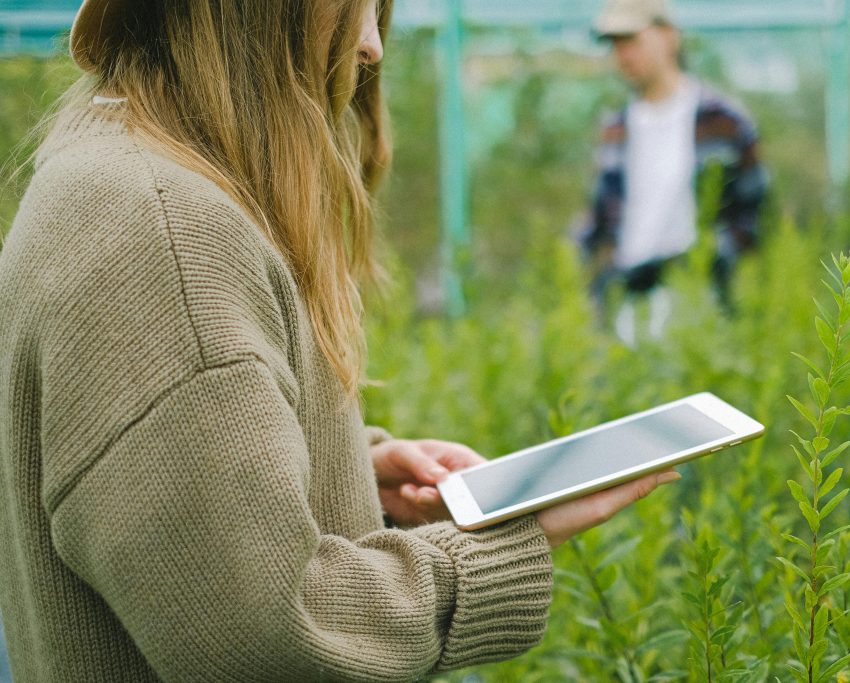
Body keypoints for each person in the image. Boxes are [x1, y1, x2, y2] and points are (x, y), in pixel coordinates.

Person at [0, 1, 683, 680]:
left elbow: (154, 475)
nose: (371, 47)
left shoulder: (110, 181)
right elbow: (268, 634)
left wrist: (357, 474)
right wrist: (497, 547)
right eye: (353, 8)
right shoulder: (163, 230)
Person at [581, 0, 769, 342]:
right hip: (628, 307)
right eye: (615, 45)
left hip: (702, 303)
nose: (623, 55)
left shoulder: (723, 122)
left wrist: (696, 264)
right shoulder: (616, 129)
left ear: (668, 36)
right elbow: (599, 220)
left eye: (631, 40)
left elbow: (753, 217)